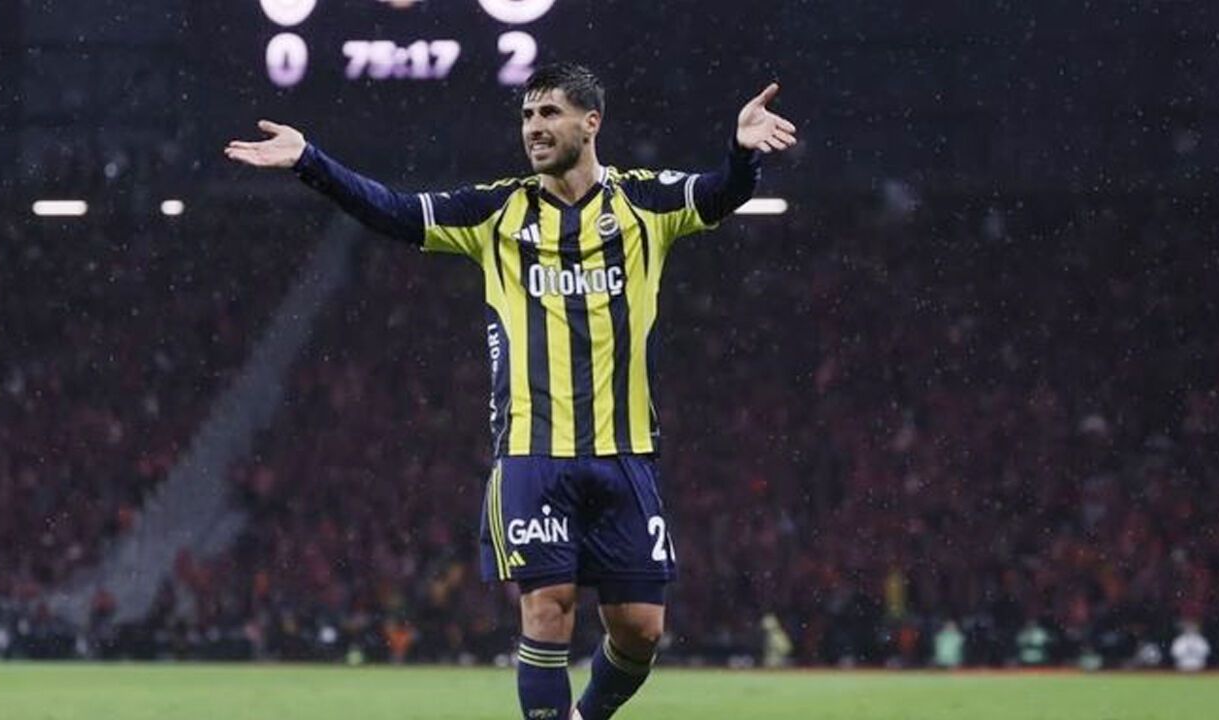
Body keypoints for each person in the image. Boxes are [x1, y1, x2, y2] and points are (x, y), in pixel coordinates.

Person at [225, 62, 797, 720]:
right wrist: (311, 161)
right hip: (532, 454)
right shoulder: (496, 211)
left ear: (591, 122)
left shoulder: (645, 204)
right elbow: (396, 211)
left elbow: (721, 193)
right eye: (527, 116)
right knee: (548, 609)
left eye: (549, 113)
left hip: (626, 454)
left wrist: (743, 154)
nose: (533, 128)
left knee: (641, 630)